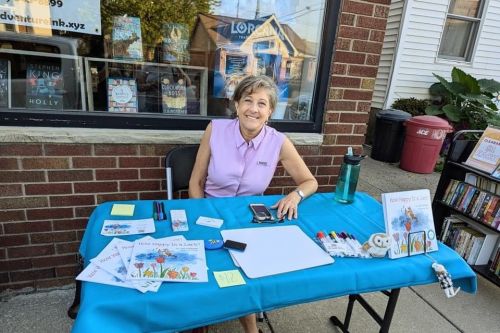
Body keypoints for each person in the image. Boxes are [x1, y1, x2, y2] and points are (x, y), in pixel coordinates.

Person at [189, 75, 318, 332]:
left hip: (249, 220)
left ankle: (251, 328)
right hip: (210, 212)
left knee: (248, 273)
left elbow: (309, 182)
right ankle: (199, 322)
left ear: (270, 111)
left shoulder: (279, 142)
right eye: (247, 100)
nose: (253, 109)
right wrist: (203, 217)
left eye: (262, 103)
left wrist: (295, 196)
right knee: (205, 271)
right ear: (236, 105)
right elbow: (196, 180)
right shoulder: (214, 129)